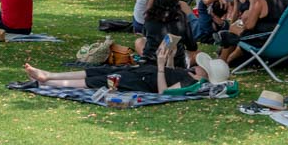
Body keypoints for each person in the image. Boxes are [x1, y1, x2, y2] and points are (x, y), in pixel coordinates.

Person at [22, 40, 208, 94]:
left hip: (142, 81)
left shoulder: (190, 82)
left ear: (205, 74)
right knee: (100, 70)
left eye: (201, 66)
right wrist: (168, 56)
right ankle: (50, 75)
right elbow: (170, 72)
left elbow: (163, 92)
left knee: (100, 80)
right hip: (140, 71)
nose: (196, 65)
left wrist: (160, 67)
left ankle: (48, 83)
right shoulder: (187, 73)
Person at [136, 0, 198, 64]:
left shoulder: (149, 16)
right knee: (198, 54)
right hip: (175, 61)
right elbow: (191, 46)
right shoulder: (181, 17)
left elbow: (146, 35)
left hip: (152, 60)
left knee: (139, 41)